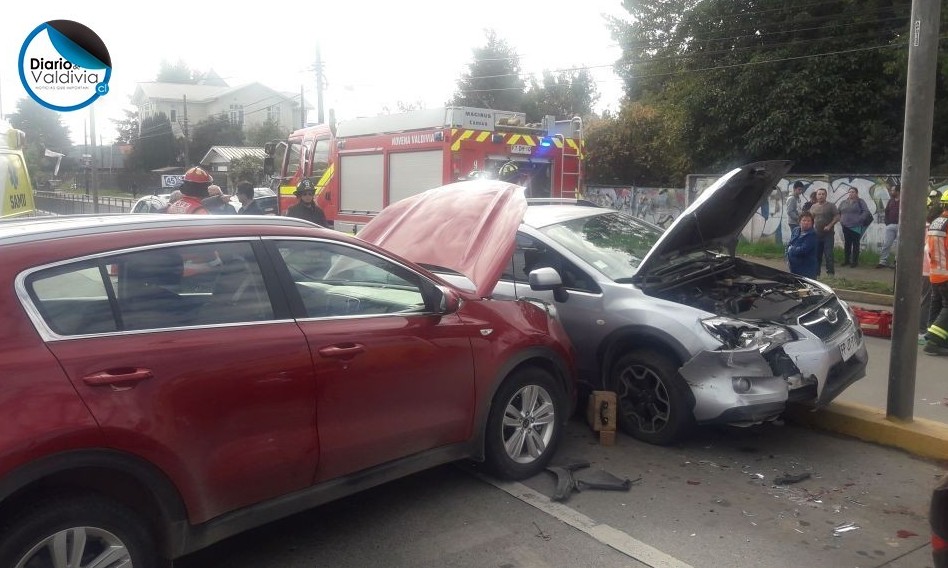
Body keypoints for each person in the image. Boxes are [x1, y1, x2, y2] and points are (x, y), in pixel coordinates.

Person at [923, 190, 948, 356]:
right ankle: (933, 340)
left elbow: (929, 249)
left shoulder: (936, 222)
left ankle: (934, 338)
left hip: (935, 273)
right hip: (946, 273)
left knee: (938, 304)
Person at [808, 188, 840, 276]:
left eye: (823, 194)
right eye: (819, 194)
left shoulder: (831, 206)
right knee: (817, 255)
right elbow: (810, 218)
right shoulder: (813, 206)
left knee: (828, 254)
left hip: (828, 234)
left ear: (825, 196)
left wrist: (829, 226)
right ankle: (816, 273)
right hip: (817, 234)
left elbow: (837, 216)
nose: (821, 196)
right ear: (816, 196)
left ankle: (830, 274)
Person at [837, 187, 871, 267]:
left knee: (855, 244)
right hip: (845, 226)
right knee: (847, 244)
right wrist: (841, 220)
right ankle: (846, 260)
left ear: (856, 193)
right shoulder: (843, 202)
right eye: (849, 192)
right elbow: (838, 212)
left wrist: (859, 219)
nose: (851, 193)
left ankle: (854, 262)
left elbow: (866, 211)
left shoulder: (860, 201)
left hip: (856, 226)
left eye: (853, 192)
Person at [786, 211, 819, 278]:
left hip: (806, 269)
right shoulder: (796, 230)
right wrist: (787, 258)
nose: (806, 222)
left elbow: (803, 250)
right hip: (793, 267)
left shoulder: (812, 234)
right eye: (804, 220)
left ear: (812, 223)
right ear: (800, 222)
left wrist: (791, 249)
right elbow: (789, 244)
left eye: (808, 221)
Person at [877, 185, 900, 268]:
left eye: (893, 190)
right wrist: (887, 223)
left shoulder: (904, 200)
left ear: (898, 191)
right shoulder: (891, 201)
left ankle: (897, 262)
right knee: (886, 244)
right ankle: (882, 262)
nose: (891, 192)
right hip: (890, 225)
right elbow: (886, 211)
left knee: (899, 245)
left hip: (901, 226)